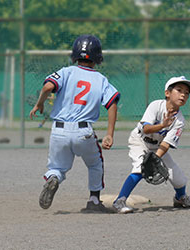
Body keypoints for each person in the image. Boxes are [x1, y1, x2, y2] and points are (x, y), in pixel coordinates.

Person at [29, 34, 120, 211]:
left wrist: (39, 103)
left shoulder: (66, 72)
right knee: (95, 164)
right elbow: (112, 103)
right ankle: (94, 200)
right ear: (98, 57)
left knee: (57, 167)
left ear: (75, 54)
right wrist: (109, 134)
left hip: (59, 131)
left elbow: (48, 87)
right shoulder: (101, 80)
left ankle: (53, 177)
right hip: (83, 132)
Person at [112, 76, 190, 214]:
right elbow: (146, 129)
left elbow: (167, 143)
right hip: (140, 141)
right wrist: (162, 125)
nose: (183, 95)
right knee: (139, 168)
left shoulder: (179, 121)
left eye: (186, 93)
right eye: (179, 90)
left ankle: (180, 198)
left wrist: (155, 159)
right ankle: (119, 201)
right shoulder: (156, 106)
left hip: (158, 147)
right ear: (167, 93)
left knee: (178, 178)